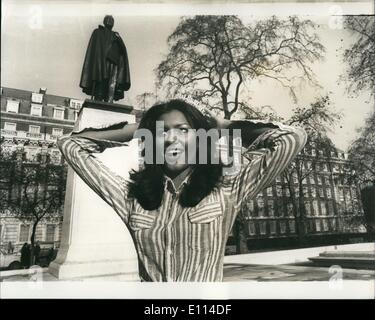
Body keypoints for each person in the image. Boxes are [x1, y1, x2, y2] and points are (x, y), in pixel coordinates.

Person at [57, 99, 307, 281]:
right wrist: (135, 129)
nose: (171, 138)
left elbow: (292, 138)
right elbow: (70, 144)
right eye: (161, 132)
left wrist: (221, 125)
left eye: (183, 130)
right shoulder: (132, 198)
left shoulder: (227, 189)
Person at [80, 15, 131, 103]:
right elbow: (93, 50)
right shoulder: (97, 32)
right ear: (104, 21)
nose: (110, 21)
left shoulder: (116, 35)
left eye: (112, 20)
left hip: (113, 63)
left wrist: (119, 39)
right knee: (100, 81)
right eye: (108, 20)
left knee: (111, 83)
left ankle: (108, 99)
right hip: (100, 63)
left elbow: (123, 51)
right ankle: (98, 98)